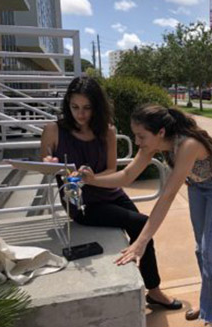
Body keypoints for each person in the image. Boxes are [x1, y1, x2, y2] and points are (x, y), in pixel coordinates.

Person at [80, 104, 212, 327]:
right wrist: (93, 180)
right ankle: (209, 303)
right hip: (198, 185)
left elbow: (167, 196)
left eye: (141, 136)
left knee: (210, 251)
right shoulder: (150, 145)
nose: (137, 142)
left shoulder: (188, 145)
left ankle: (211, 316)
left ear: (160, 133)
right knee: (200, 249)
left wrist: (140, 242)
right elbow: (127, 176)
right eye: (135, 135)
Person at [40, 76, 182, 310]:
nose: (80, 114)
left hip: (111, 193)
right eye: (75, 107)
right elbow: (45, 163)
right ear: (68, 105)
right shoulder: (53, 130)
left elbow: (110, 169)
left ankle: (152, 289)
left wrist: (92, 178)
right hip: (83, 204)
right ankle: (153, 290)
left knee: (143, 230)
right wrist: (50, 162)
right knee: (142, 223)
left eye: (87, 108)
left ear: (97, 107)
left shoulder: (107, 131)